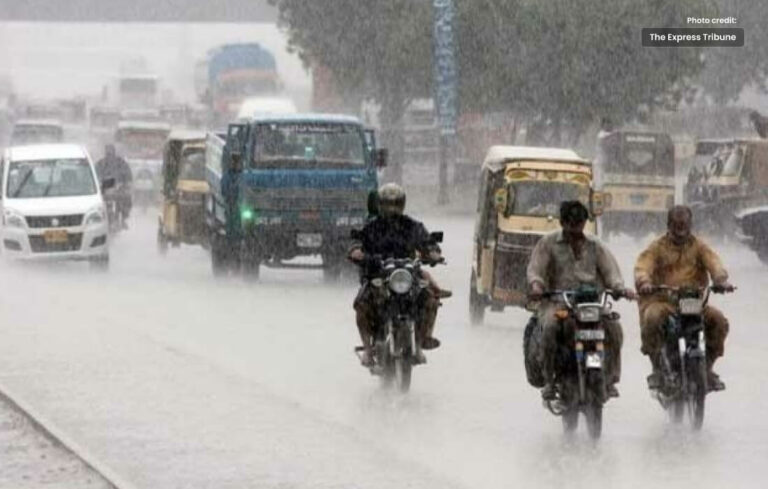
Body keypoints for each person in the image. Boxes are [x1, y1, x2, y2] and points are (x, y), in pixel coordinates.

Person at [527, 200, 635, 400]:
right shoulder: (547, 244)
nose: (576, 229)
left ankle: (610, 378)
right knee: (550, 328)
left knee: (614, 328)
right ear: (562, 223)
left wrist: (620, 288)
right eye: (572, 224)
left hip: (590, 304)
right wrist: (537, 286)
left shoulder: (595, 245)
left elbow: (611, 272)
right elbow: (536, 270)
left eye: (580, 223)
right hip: (558, 304)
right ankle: (549, 380)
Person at [348, 183, 450, 367]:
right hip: (378, 275)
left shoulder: (412, 226)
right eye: (387, 204)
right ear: (380, 205)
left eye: (396, 204)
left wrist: (433, 252)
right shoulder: (371, 227)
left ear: (402, 204)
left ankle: (422, 340)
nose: (392, 208)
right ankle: (368, 351)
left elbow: (426, 242)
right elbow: (357, 241)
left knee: (429, 299)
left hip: (407, 274)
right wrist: (357, 251)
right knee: (361, 304)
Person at [634, 205, 734, 391]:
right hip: (664, 302)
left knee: (718, 321)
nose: (681, 229)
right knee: (652, 318)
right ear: (669, 225)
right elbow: (643, 265)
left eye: (684, 224)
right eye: (676, 224)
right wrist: (644, 281)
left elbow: (714, 262)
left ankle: (707, 368)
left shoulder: (699, 246)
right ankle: (657, 368)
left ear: (690, 224)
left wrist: (721, 279)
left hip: (694, 303)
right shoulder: (657, 247)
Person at [96, 144, 133, 225]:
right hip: (105, 190)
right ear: (105, 152)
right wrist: (100, 184)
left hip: (119, 189)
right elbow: (96, 175)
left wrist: (126, 183)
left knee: (127, 199)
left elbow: (128, 173)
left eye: (111, 152)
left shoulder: (121, 162)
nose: (109, 154)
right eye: (108, 152)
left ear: (114, 152)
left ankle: (124, 218)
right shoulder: (100, 163)